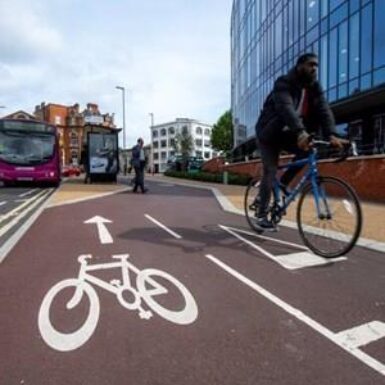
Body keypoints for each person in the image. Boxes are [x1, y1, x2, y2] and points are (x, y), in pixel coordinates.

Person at [254, 52, 346, 231]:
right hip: (269, 134)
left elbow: (323, 110)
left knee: (308, 151)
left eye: (316, 66)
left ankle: (282, 184)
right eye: (311, 65)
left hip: (291, 133)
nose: (314, 69)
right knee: (270, 170)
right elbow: (285, 108)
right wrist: (301, 133)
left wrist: (332, 134)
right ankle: (261, 213)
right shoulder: (283, 83)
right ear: (300, 66)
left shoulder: (314, 87)